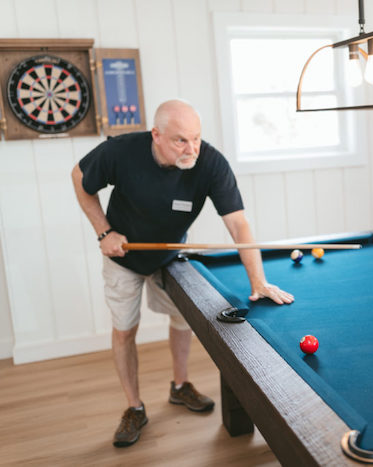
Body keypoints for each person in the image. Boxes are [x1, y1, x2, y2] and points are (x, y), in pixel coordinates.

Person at [71, 99, 294, 448]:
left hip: (169, 255)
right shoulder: (121, 152)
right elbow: (80, 178)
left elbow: (237, 223)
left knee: (183, 319)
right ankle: (134, 406)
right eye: (180, 141)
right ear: (156, 135)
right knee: (125, 330)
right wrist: (104, 233)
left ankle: (180, 386)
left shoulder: (209, 163)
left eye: (197, 138)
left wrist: (258, 282)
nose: (192, 149)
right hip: (123, 256)